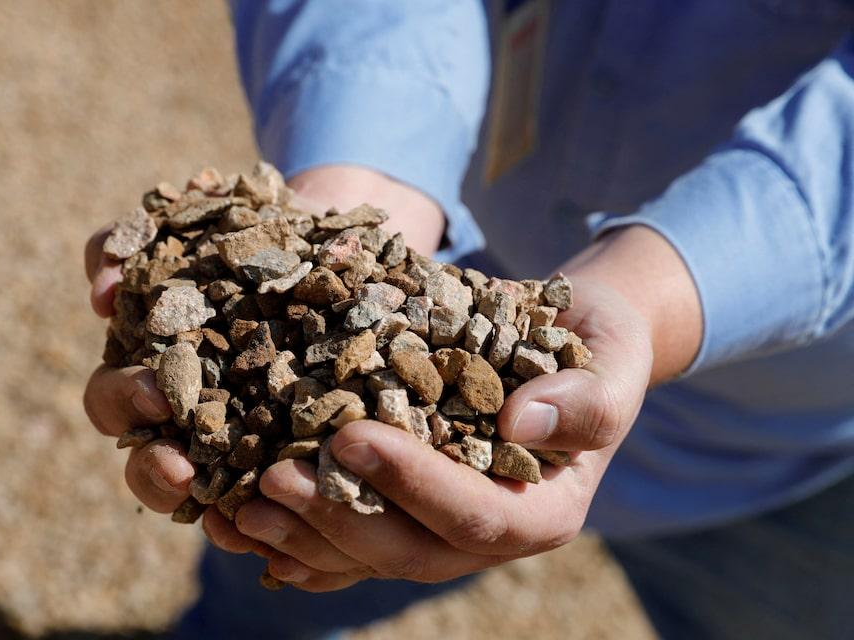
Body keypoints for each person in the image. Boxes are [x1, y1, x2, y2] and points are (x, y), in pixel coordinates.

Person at [83, 2, 854, 638]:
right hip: (450, 274)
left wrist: (653, 298)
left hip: (778, 445)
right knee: (272, 570)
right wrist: (359, 189)